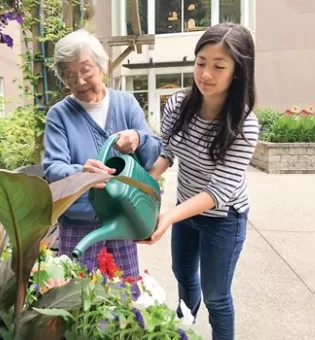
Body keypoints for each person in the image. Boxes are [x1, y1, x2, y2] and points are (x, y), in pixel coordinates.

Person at [138, 23, 259, 340]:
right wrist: (145, 184)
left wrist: (167, 218)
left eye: (219, 66)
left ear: (238, 71)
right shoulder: (178, 105)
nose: (206, 74)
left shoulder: (244, 125)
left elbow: (218, 192)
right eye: (201, 62)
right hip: (186, 210)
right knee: (183, 274)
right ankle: (184, 330)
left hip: (224, 219)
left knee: (217, 296)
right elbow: (168, 151)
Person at [42, 29, 161, 279]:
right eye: (70, 75)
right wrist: (81, 173)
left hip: (123, 219)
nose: (80, 81)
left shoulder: (125, 104)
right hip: (78, 223)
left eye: (85, 70)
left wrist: (138, 139)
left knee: (125, 297)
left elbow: (154, 150)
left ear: (101, 64)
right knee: (78, 305)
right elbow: (53, 168)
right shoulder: (59, 115)